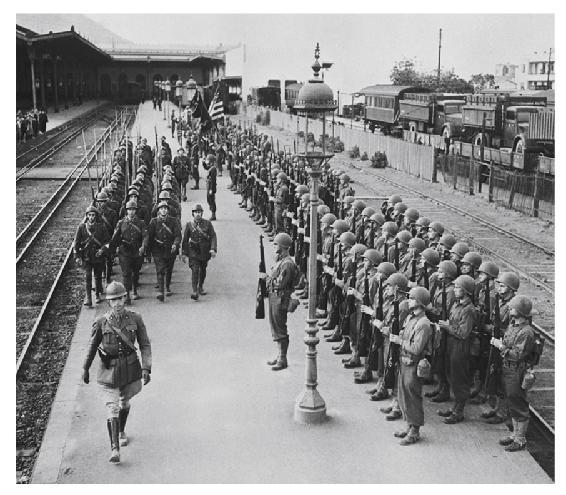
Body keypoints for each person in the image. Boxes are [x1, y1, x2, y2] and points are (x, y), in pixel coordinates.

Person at [81, 281, 152, 464]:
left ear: (125, 298)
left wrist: (146, 367)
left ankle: (121, 431)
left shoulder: (135, 319)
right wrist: (85, 368)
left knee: (124, 402)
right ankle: (115, 449)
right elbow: (92, 346)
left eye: (120, 298)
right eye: (114, 300)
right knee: (112, 407)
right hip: (108, 370)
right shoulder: (101, 322)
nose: (118, 303)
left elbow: (144, 344)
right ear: (109, 302)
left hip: (130, 368)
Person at [491, 295, 536, 452]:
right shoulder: (513, 326)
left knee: (518, 404)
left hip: (517, 370)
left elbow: (518, 355)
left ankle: (520, 439)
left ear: (521, 312)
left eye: (512, 308)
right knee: (511, 401)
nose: (510, 310)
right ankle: (514, 433)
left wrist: (500, 346)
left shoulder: (527, 332)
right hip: (508, 368)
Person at [393, 287, 433, 445]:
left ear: (418, 302)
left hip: (414, 363)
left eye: (411, 298)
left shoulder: (423, 323)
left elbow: (417, 348)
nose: (408, 301)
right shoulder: (411, 318)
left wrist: (399, 341)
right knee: (403, 394)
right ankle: (409, 425)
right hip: (405, 361)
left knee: (413, 396)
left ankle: (414, 430)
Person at [265, 233, 299, 371]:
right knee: (275, 327)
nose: (275, 246)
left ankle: (283, 358)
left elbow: (281, 283)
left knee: (280, 328)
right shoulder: (282, 261)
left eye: (276, 244)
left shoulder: (287, 264)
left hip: (281, 298)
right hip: (275, 296)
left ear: (283, 246)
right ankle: (279, 355)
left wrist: (268, 278)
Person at [107, 200, 148, 304]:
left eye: (133, 209)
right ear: (126, 211)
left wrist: (143, 247)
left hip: (137, 251)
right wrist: (113, 249)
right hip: (124, 251)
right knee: (126, 273)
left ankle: (134, 290)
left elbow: (145, 236)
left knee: (136, 272)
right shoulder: (121, 223)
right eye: (129, 210)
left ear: (136, 211)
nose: (131, 212)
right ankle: (127, 295)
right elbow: (115, 237)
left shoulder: (141, 223)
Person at [74, 206, 111, 307]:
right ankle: (89, 298)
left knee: (98, 276)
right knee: (88, 277)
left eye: (93, 215)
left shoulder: (102, 227)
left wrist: (102, 250)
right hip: (86, 256)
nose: (91, 217)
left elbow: (107, 242)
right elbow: (76, 243)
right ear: (86, 216)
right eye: (89, 215)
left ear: (96, 216)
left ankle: (97, 294)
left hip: (98, 256)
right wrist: (77, 256)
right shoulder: (82, 227)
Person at [147, 201, 182, 302]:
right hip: (157, 249)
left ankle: (167, 286)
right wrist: (148, 252)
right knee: (160, 269)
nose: (164, 210)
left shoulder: (173, 221)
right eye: (161, 208)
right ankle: (161, 292)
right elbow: (150, 237)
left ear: (168, 210)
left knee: (169, 269)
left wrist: (175, 244)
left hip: (170, 249)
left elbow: (178, 235)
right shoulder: (153, 222)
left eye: (165, 208)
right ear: (158, 210)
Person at [181, 204, 217, 300]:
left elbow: (213, 236)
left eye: (199, 212)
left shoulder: (207, 224)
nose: (197, 214)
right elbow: (185, 240)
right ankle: (194, 291)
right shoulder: (189, 225)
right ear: (193, 213)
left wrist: (213, 248)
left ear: (202, 213)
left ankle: (200, 286)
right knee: (195, 270)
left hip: (204, 251)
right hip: (193, 251)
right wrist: (184, 253)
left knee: (203, 270)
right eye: (196, 212)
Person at [204, 153, 218, 221]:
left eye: (208, 160)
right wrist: (203, 163)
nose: (207, 162)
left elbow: (213, 180)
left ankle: (213, 214)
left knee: (211, 200)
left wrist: (211, 189)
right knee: (209, 199)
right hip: (209, 186)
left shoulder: (213, 169)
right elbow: (206, 168)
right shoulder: (211, 167)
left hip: (211, 186)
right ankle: (212, 212)